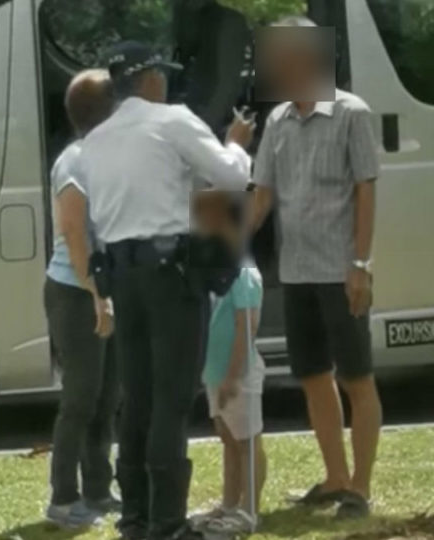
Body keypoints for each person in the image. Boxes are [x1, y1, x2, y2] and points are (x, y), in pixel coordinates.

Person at [72, 41, 255, 540]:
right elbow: (232, 175)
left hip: (123, 276)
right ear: (150, 77)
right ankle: (169, 524)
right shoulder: (173, 119)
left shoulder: (95, 141)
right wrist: (235, 140)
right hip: (170, 274)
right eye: (163, 75)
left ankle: (135, 519)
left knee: (139, 398)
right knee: (172, 399)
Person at [250, 16, 381, 519]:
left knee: (357, 378)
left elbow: (366, 189)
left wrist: (360, 263)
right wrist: (224, 246)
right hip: (297, 270)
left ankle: (360, 490)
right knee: (311, 375)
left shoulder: (352, 113)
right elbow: (262, 197)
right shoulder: (278, 120)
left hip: (340, 268)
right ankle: (335, 477)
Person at [42, 69, 119, 528]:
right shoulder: (75, 161)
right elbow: (74, 235)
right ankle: (63, 498)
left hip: (100, 289)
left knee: (107, 396)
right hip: (75, 292)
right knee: (80, 397)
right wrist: (99, 295)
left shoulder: (104, 156)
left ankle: (98, 489)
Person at [192, 191, 267, 536]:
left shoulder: (244, 273)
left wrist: (234, 376)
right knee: (228, 438)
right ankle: (229, 504)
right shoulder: (215, 270)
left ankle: (250, 510)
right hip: (215, 371)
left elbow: (245, 327)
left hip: (238, 374)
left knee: (248, 442)